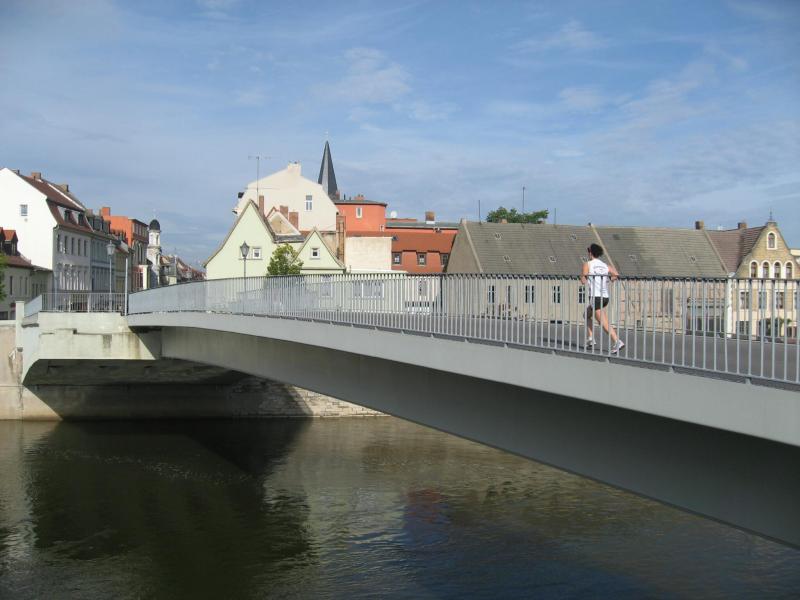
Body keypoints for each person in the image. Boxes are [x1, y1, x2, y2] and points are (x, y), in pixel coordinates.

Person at [581, 243, 624, 354]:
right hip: (604, 296)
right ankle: (591, 338)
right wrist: (608, 280)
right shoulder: (605, 265)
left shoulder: (587, 264)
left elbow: (583, 280)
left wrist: (585, 277)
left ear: (590, 253)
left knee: (603, 322)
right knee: (586, 315)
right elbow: (616, 274)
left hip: (595, 297)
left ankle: (617, 341)